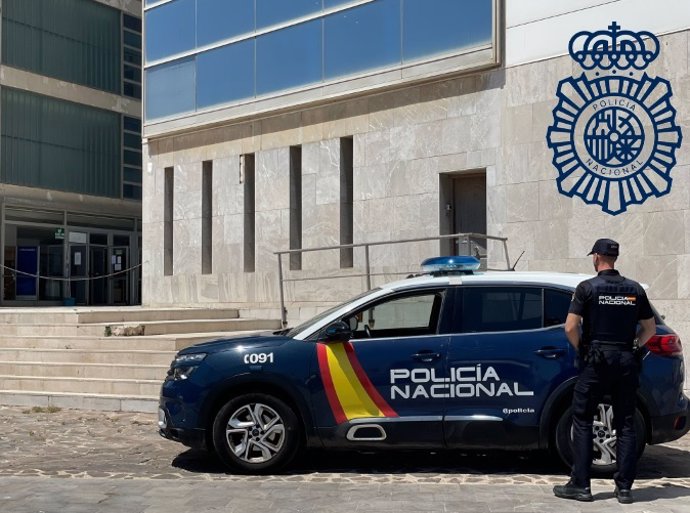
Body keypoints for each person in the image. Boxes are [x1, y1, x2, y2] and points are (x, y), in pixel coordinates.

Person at [553, 238, 656, 504]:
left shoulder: (587, 288)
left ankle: (581, 485)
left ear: (597, 257)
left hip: (596, 361)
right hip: (625, 360)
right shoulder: (634, 289)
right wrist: (632, 346)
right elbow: (650, 329)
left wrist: (582, 349)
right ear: (615, 258)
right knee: (626, 423)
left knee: (584, 419)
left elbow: (570, 327)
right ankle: (624, 489)